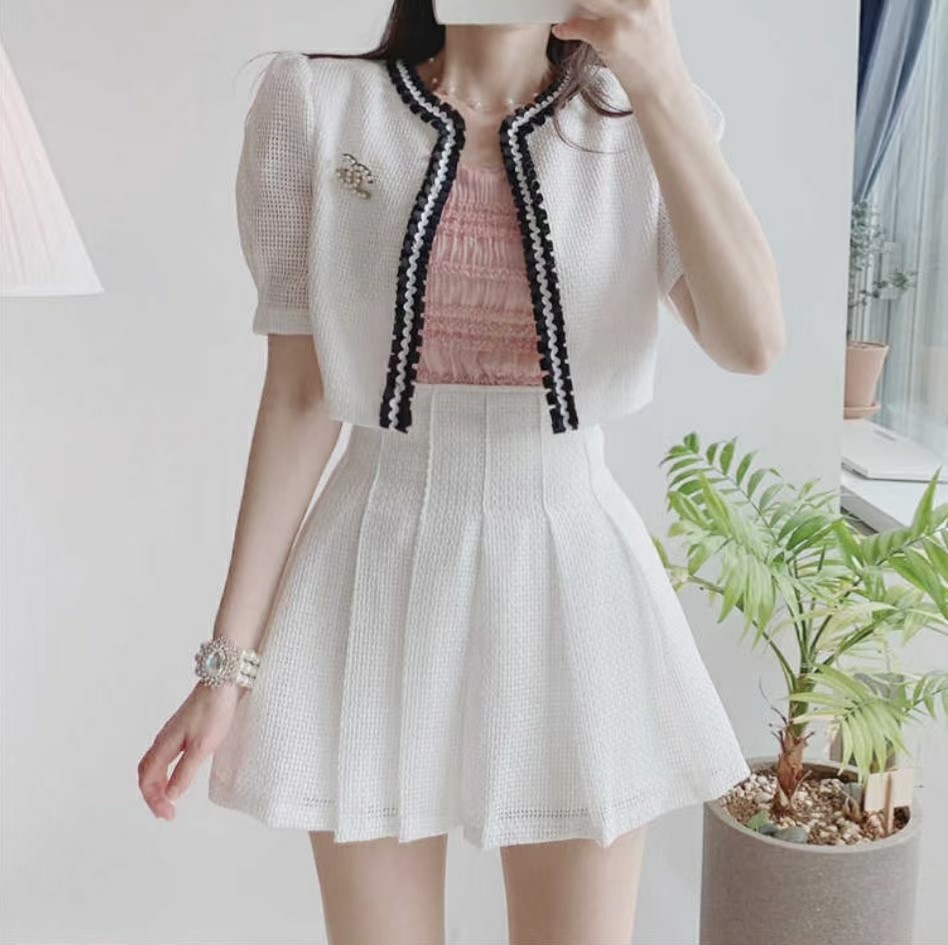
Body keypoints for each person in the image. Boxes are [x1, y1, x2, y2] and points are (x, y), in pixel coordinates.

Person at [138, 1, 784, 942]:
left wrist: (660, 76)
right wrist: (226, 666)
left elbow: (752, 340)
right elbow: (300, 395)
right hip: (370, 570)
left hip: (572, 579)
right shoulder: (319, 107)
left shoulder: (642, 120)